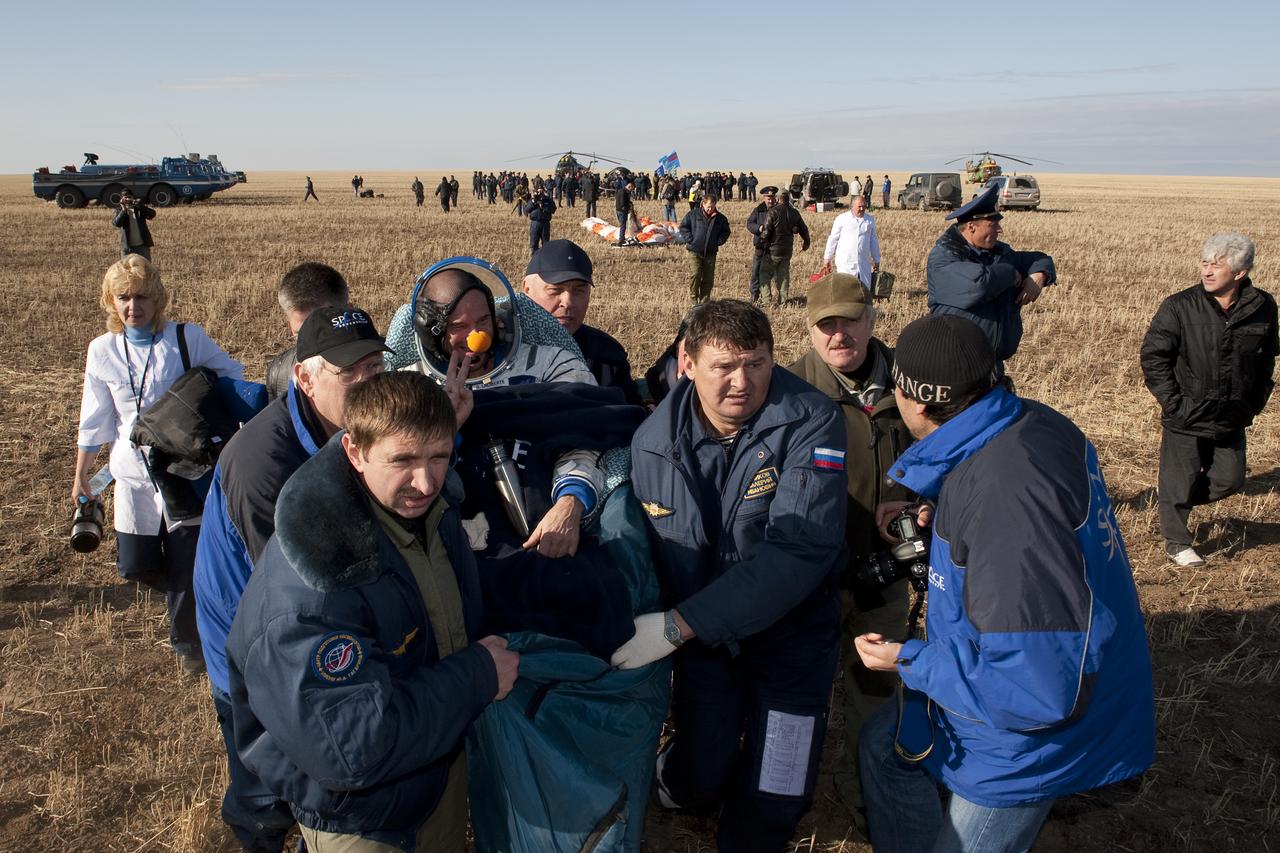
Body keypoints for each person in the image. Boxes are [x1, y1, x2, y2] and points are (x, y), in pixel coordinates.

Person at [855, 314, 1155, 853]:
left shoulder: (1004, 504)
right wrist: (940, 509)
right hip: (1013, 682)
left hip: (1019, 742)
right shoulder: (1034, 423)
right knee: (886, 749)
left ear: (914, 401)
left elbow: (1036, 692)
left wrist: (908, 660)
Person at [226, 371, 519, 853]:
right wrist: (478, 676)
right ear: (355, 452)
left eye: (440, 456)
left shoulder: (431, 511)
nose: (425, 481)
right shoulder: (314, 580)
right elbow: (352, 748)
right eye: (402, 460)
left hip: (431, 780)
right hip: (365, 822)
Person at [615, 299, 847, 852]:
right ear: (687, 362)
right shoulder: (652, 443)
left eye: (758, 363)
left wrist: (679, 625)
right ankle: (681, 778)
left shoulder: (812, 420)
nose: (742, 381)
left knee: (776, 795)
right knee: (703, 775)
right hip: (707, 647)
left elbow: (799, 553)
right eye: (724, 366)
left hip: (792, 637)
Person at [196, 304, 407, 852]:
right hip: (251, 647)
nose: (366, 383)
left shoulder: (351, 429)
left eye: (374, 367)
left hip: (309, 630)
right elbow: (304, 592)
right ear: (304, 378)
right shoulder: (264, 464)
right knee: (267, 783)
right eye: (347, 371)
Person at [73, 255, 244, 676]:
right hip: (131, 473)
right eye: (124, 297)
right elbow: (95, 418)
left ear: (158, 298)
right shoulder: (102, 350)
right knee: (135, 565)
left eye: (143, 296)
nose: (134, 306)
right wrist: (82, 474)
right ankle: (195, 593)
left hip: (184, 471)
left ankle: (188, 641)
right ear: (111, 302)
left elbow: (231, 378)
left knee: (186, 561)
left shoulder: (186, 339)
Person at [785, 274, 912, 827]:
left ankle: (867, 795)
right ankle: (784, 799)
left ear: (873, 320)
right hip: (810, 576)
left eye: (850, 320)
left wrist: (916, 507)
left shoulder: (912, 383)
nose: (840, 334)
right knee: (795, 693)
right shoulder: (787, 390)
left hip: (887, 572)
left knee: (879, 691)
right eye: (826, 324)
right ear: (810, 331)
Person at [1140, 232, 1278, 567]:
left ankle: (1174, 501)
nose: (1208, 270)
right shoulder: (1180, 306)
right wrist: (1175, 403)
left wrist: (1255, 401)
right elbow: (1154, 356)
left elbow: (1266, 358)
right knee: (1180, 476)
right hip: (1187, 413)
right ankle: (1176, 541)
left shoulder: (1263, 307)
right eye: (1205, 263)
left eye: (1217, 264)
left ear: (1240, 273)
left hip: (1233, 413)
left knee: (1230, 480)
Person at [926, 183, 1055, 373]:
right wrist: (1011, 274)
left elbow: (1040, 258)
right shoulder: (944, 256)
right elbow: (978, 285)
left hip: (993, 365)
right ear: (971, 227)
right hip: (955, 364)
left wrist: (1039, 275)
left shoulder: (999, 253)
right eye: (993, 225)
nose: (999, 230)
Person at [522, 239, 641, 403]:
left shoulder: (607, 357)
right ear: (526, 289)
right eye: (555, 290)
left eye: (578, 291)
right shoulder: (501, 351)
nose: (568, 302)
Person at [265, 262, 352, 401]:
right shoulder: (279, 373)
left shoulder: (381, 364)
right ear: (290, 327)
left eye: (323, 331)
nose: (314, 347)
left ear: (349, 313)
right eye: (302, 334)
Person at [758, 189, 811, 306]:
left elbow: (766, 232)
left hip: (773, 250)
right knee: (783, 275)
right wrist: (806, 242)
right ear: (789, 198)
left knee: (764, 273)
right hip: (787, 250)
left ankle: (766, 300)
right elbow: (804, 229)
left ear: (777, 198)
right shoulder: (794, 212)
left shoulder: (773, 212)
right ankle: (782, 301)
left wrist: (760, 243)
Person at [675, 193, 731, 303]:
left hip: (710, 252)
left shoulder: (720, 218)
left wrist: (718, 242)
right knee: (695, 274)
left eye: (712, 206)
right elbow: (683, 227)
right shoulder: (693, 215)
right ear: (703, 204)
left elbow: (726, 232)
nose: (710, 209)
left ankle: (704, 301)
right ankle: (693, 298)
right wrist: (690, 239)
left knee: (708, 279)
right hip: (694, 251)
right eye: (708, 206)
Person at [820, 195, 880, 290]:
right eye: (859, 206)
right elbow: (833, 239)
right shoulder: (842, 219)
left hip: (863, 264)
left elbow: (873, 241)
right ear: (852, 206)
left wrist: (876, 259)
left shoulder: (869, 220)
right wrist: (827, 258)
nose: (862, 209)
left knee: (864, 291)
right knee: (846, 291)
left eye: (864, 206)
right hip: (845, 263)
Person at [744, 186, 779, 303]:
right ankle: (754, 296)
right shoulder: (758, 210)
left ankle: (778, 298)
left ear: (775, 197)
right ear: (764, 198)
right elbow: (749, 223)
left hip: (775, 248)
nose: (770, 200)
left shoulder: (780, 210)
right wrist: (758, 228)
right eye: (768, 198)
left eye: (772, 197)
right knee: (756, 272)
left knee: (777, 275)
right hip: (760, 247)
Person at [111, 189, 156, 260]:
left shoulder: (139, 209)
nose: (128, 199)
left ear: (133, 197)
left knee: (146, 268)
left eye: (129, 197)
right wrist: (123, 210)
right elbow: (116, 223)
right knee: (126, 270)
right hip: (127, 248)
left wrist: (140, 206)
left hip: (142, 247)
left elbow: (152, 214)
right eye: (125, 197)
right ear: (122, 199)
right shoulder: (119, 210)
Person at [523, 189, 557, 254]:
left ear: (544, 191)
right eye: (538, 191)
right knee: (534, 242)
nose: (540, 193)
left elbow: (553, 209)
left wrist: (543, 206)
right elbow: (526, 209)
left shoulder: (548, 200)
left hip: (545, 223)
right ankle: (534, 257)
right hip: (535, 223)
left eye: (541, 191)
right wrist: (533, 202)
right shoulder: (532, 200)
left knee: (545, 242)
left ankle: (545, 256)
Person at [615, 178, 635, 246]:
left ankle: (622, 237)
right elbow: (622, 202)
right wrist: (627, 208)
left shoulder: (621, 191)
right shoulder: (623, 192)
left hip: (619, 210)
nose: (632, 190)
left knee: (622, 225)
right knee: (623, 225)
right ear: (630, 186)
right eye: (632, 188)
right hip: (622, 211)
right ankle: (621, 240)